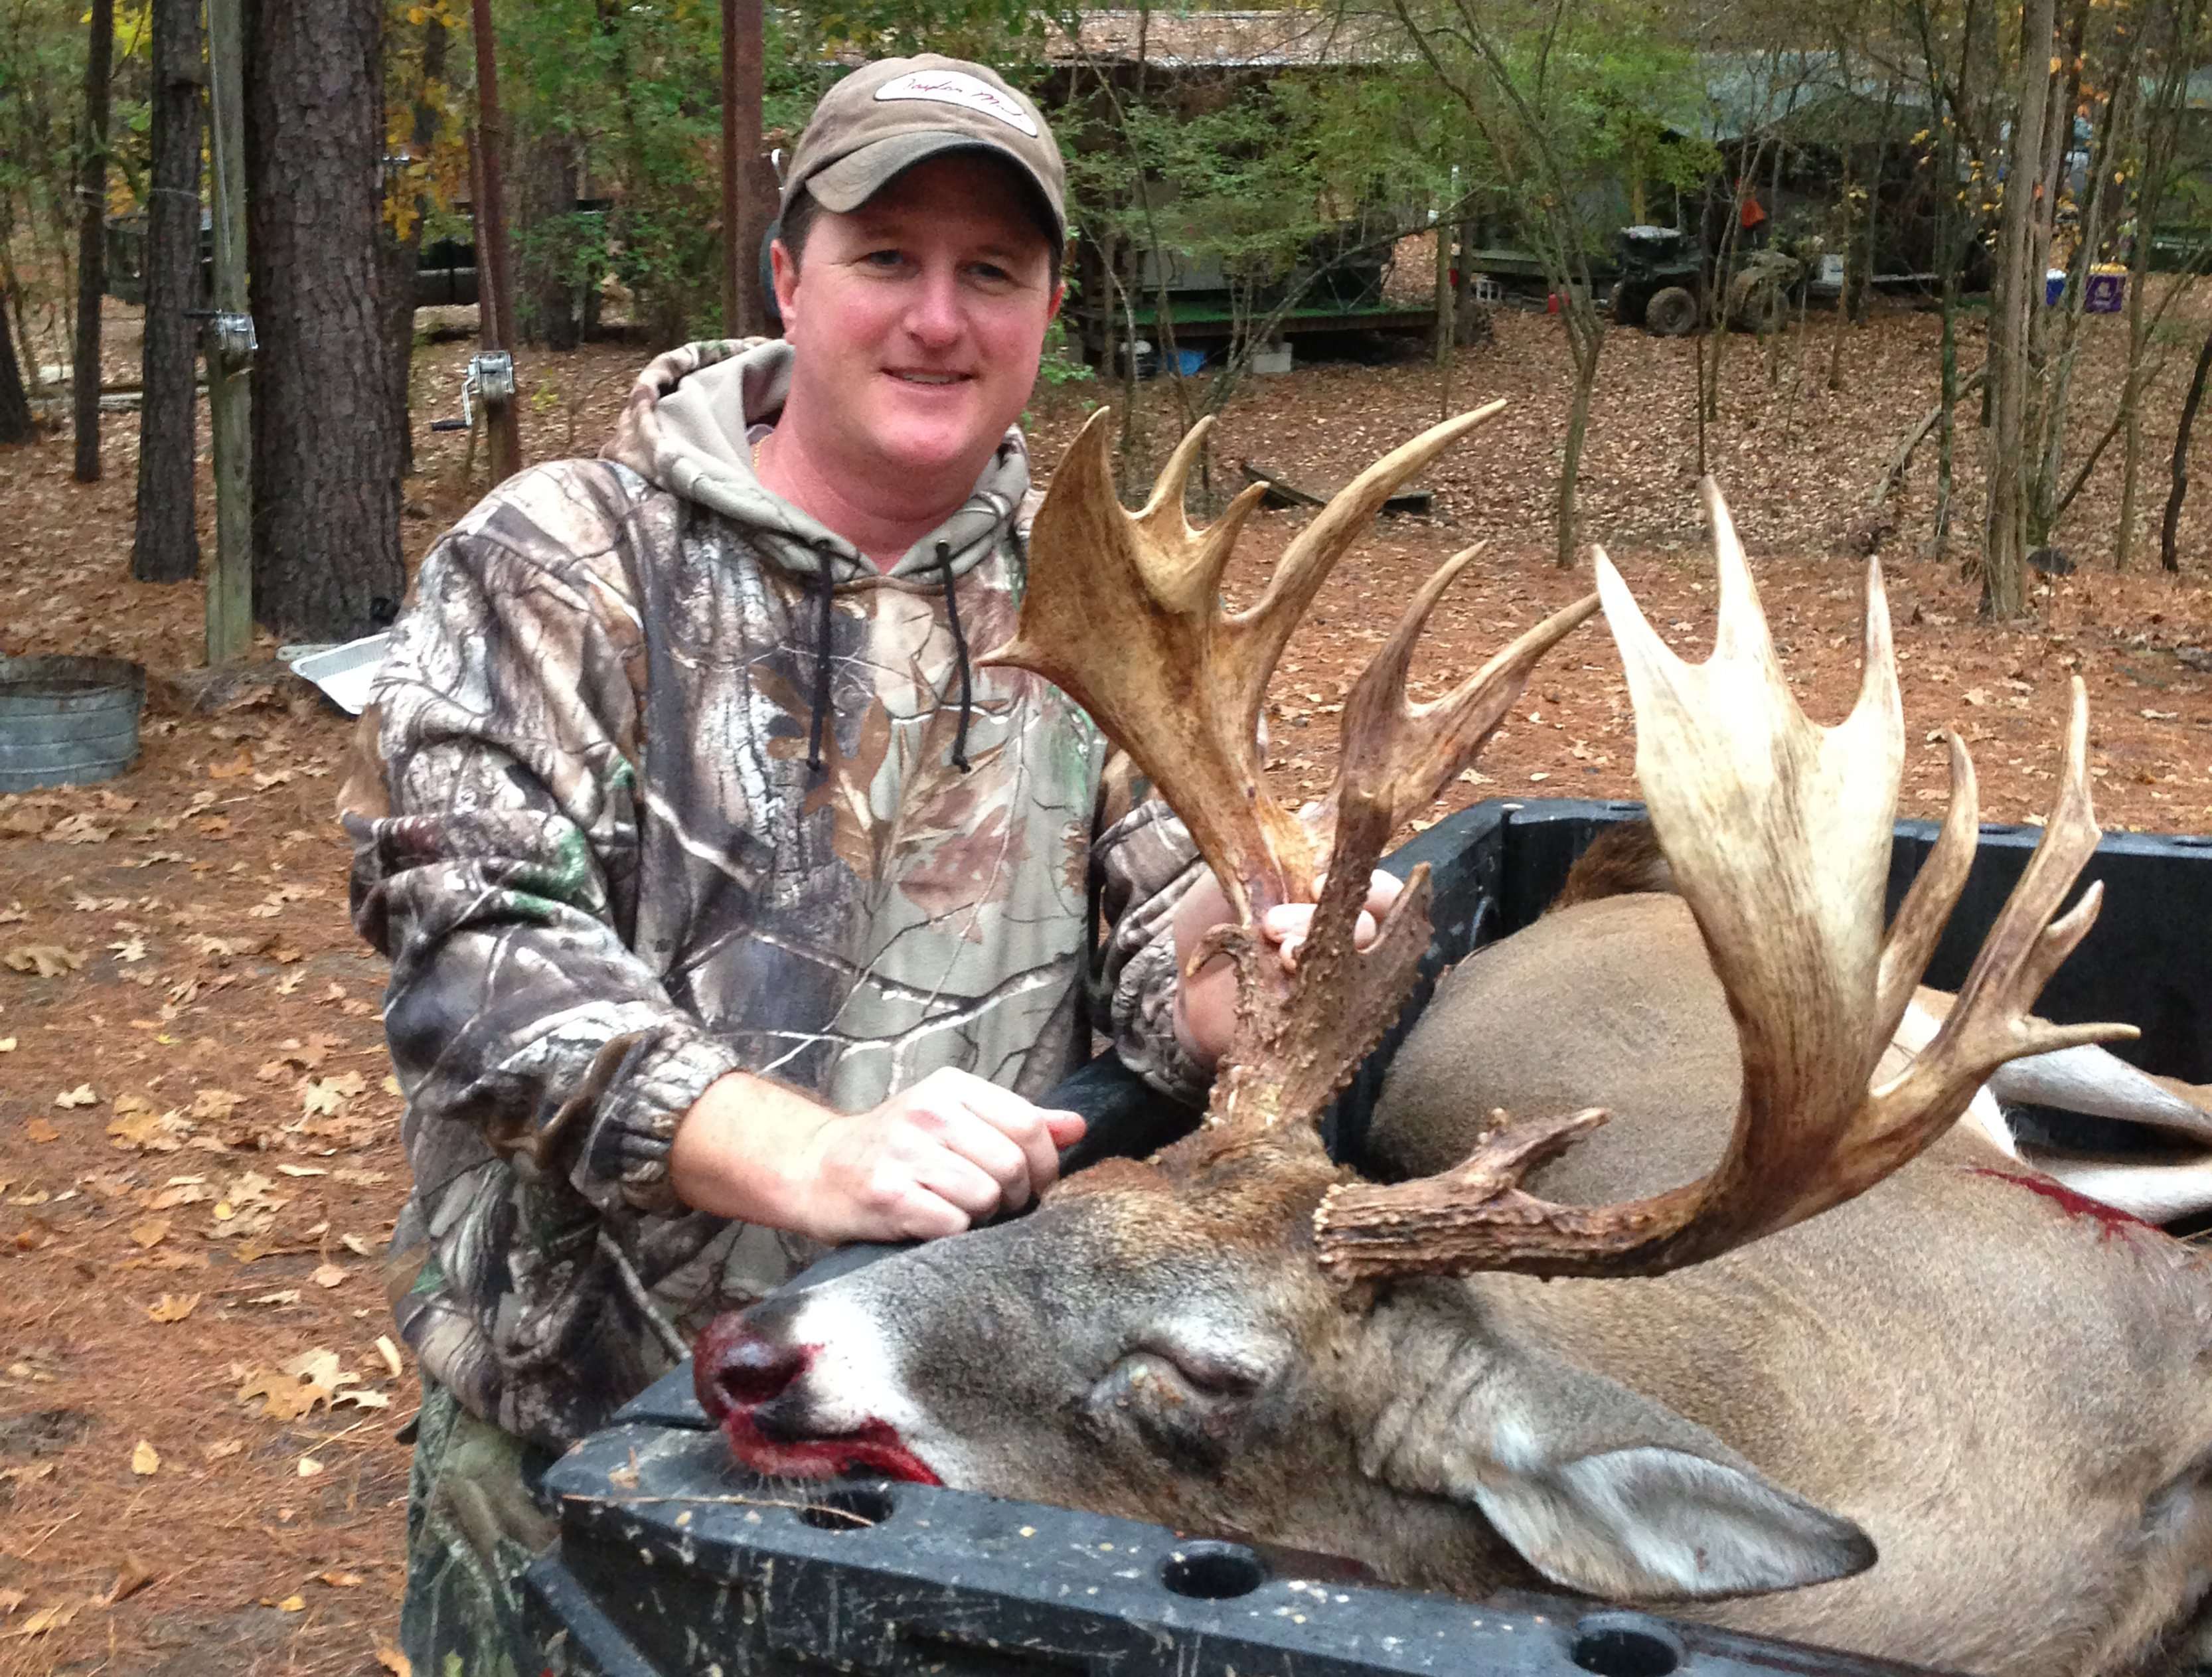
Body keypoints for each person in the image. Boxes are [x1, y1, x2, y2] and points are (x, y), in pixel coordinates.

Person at [343, 52, 1393, 1676]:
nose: (937, 318)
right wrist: (809, 1156)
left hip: (956, 1436)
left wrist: (1244, 976)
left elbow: (1157, 933)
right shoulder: (564, 560)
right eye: (885, 257)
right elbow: (474, 952)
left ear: (1047, 309)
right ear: (785, 277)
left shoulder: (1098, 607)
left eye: (992, 272)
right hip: (592, 1440)